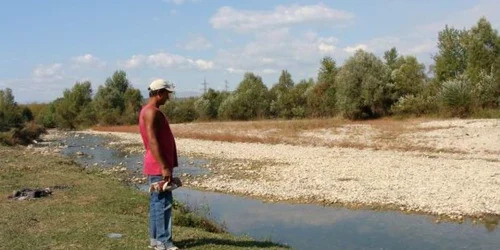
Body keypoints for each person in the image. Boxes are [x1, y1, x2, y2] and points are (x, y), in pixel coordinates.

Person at [139, 79, 179, 250]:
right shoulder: (152, 112)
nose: (168, 98)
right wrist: (164, 166)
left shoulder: (149, 111)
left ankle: (156, 241)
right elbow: (153, 140)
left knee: (157, 202)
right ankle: (164, 242)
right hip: (158, 166)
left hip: (156, 164)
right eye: (167, 94)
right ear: (159, 93)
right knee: (163, 203)